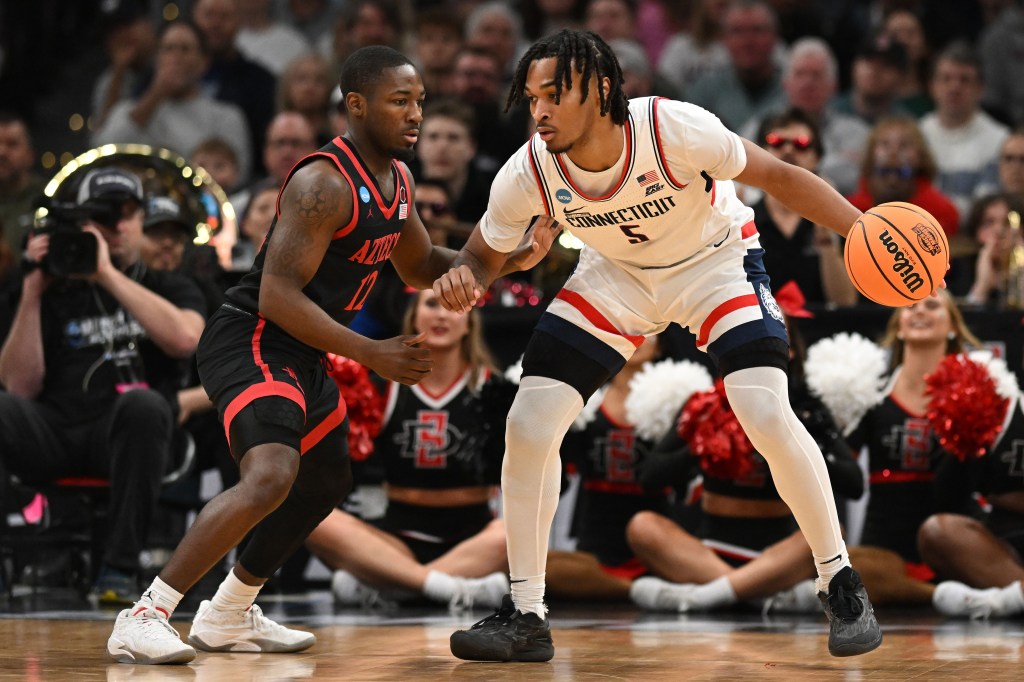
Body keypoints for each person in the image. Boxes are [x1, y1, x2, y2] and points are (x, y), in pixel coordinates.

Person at [435, 29, 886, 663]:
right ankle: (527, 613)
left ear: (598, 90)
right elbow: (481, 256)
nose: (537, 111)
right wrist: (475, 274)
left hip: (716, 264)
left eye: (553, 94)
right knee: (530, 422)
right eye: (531, 96)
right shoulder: (529, 168)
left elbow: (779, 175)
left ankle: (840, 582)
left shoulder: (671, 128)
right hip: (614, 278)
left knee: (761, 408)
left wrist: (864, 229)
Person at [105, 44, 557, 666]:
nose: (415, 114)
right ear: (356, 104)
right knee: (269, 475)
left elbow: (425, 266)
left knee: (324, 481)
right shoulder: (322, 183)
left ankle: (230, 612)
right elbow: (277, 293)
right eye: (401, 101)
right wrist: (370, 352)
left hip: (306, 348)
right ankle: (147, 612)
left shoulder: (398, 180)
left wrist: (513, 261)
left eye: (420, 101)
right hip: (255, 337)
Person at [0, 168, 207, 603]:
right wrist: (34, 291)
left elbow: (186, 340)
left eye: (124, 215)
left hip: (128, 436)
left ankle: (119, 569)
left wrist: (106, 275)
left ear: (140, 222)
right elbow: (19, 386)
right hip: (55, 430)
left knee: (145, 405)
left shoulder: (168, 284)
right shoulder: (47, 289)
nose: (115, 228)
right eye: (102, 217)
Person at [628, 303, 863, 614]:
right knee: (642, 526)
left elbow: (854, 483)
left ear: (788, 350)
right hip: (708, 552)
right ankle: (759, 595)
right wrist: (700, 446)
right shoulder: (702, 406)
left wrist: (808, 443)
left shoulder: (806, 409)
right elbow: (649, 477)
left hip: (779, 554)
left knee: (834, 535)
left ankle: (706, 596)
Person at [305, 289, 510, 610]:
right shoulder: (381, 387)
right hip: (395, 541)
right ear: (413, 317)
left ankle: (393, 587)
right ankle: (452, 588)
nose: (442, 314)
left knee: (514, 533)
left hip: (474, 541)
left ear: (470, 322)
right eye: (431, 304)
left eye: (454, 307)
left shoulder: (496, 389)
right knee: (312, 519)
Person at [844, 290, 982, 607]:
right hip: (884, 554)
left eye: (932, 306)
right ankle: (949, 599)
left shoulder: (976, 398)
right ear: (899, 327)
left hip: (949, 548)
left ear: (953, 328)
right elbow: (845, 480)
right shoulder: (870, 396)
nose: (919, 311)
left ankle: (946, 594)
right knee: (845, 564)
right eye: (910, 306)